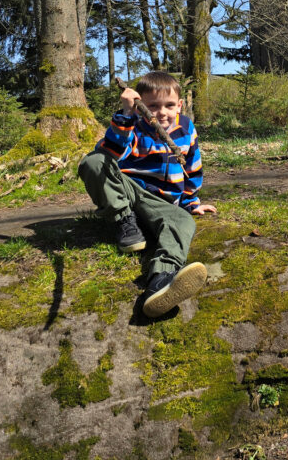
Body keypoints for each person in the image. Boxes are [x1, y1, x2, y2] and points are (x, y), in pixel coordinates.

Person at [78, 71, 217, 318]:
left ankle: (161, 281)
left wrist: (191, 201)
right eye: (152, 106)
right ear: (141, 105)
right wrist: (126, 114)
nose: (161, 112)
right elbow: (109, 152)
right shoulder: (134, 128)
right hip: (131, 196)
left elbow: (192, 168)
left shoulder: (186, 129)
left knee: (184, 221)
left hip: (163, 206)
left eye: (169, 105)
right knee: (93, 162)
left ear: (180, 105)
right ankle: (123, 222)